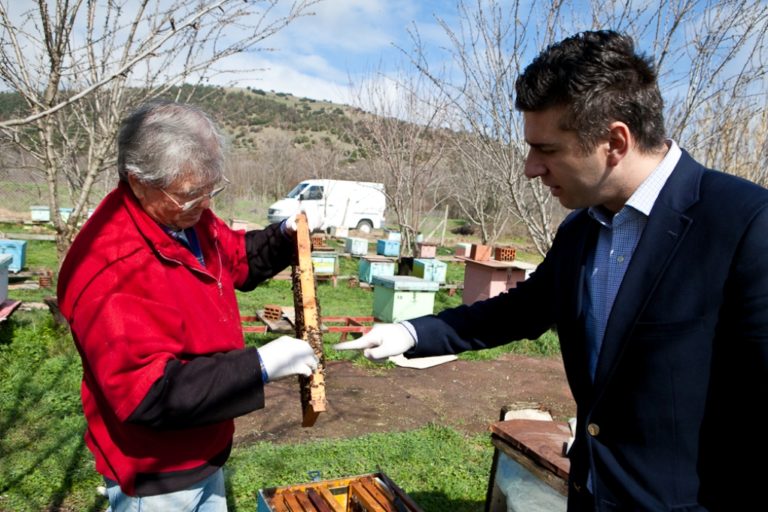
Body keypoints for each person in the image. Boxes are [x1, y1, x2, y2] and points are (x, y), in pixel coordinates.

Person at [335, 30, 768, 510]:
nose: (530, 168)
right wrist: (411, 333)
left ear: (614, 141)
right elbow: (519, 310)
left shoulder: (745, 224)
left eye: (547, 150)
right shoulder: (581, 230)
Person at [57, 100, 319, 511]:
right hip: (157, 471)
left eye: (210, 191)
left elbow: (234, 260)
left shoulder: (185, 217)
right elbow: (149, 394)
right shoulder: (108, 269)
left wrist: (285, 237)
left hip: (207, 446)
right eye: (189, 195)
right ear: (137, 181)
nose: (203, 206)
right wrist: (259, 367)